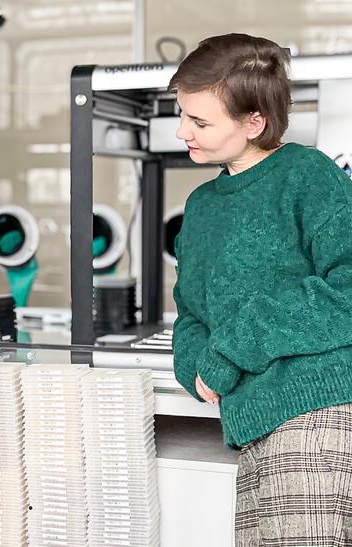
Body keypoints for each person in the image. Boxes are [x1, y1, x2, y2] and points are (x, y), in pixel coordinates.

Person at [170, 33, 352, 546]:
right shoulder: (203, 204)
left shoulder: (306, 176)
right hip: (251, 421)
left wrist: (229, 350)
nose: (183, 131)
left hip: (319, 418)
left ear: (255, 123)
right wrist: (196, 367)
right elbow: (190, 310)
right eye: (181, 114)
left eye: (200, 121)